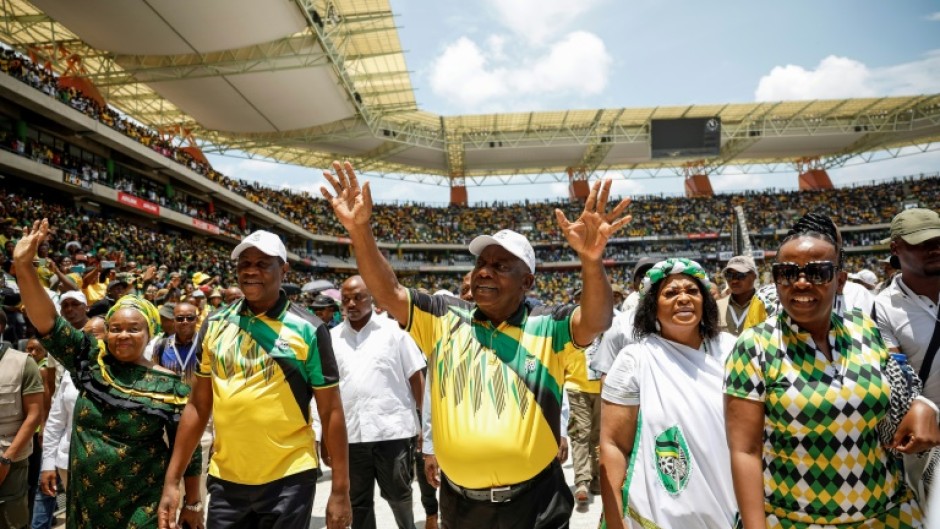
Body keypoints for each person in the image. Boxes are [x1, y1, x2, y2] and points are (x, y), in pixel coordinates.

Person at [322, 160, 632, 528]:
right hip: (462, 506)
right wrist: (360, 231)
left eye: (501, 266)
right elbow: (389, 293)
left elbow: (596, 320)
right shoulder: (443, 317)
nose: (484, 270)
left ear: (528, 282)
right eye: (482, 262)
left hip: (536, 503)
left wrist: (591, 259)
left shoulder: (549, 325)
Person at [724, 213, 940, 529]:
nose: (801, 281)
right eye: (787, 273)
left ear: (840, 280)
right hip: (797, 520)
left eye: (818, 272)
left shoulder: (864, 329)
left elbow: (900, 388)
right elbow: (745, 451)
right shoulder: (754, 346)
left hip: (888, 514)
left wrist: (924, 405)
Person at [12, 219, 202, 529]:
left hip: (143, 508)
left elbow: (189, 452)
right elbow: (48, 321)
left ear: (149, 332)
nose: (122, 335)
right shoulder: (89, 358)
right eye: (115, 328)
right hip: (86, 504)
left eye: (133, 329)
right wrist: (24, 267)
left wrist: (192, 503)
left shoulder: (171, 385)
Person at [158, 229, 352, 529]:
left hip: (289, 478)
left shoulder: (309, 329)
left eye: (263, 263)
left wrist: (340, 490)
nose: (250, 270)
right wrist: (172, 481)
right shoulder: (214, 324)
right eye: (244, 263)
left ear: (284, 269)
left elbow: (331, 410)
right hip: (226, 480)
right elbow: (197, 406)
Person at [599, 258, 737, 529]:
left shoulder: (733, 350)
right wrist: (616, 520)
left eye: (692, 291)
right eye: (671, 293)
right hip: (656, 514)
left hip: (731, 505)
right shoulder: (634, 360)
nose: (683, 298)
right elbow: (614, 445)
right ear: (652, 307)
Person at [332, 275, 425, 529]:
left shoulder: (395, 332)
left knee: (399, 494)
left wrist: (425, 427)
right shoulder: (332, 338)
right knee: (359, 501)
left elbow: (416, 378)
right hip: (352, 435)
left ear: (371, 297)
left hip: (392, 432)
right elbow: (328, 392)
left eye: (358, 297)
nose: (351, 304)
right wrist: (323, 436)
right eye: (346, 299)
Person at [875, 207, 940, 496]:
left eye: (938, 241)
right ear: (896, 248)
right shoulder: (884, 307)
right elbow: (899, 381)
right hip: (929, 441)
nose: (935, 249)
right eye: (923, 243)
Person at [0, 310, 43, 529]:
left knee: (11, 519)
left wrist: (6, 459)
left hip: (10, 460)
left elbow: (34, 414)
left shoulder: (23, 363)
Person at [717, 255, 768, 336]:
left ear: (754, 276)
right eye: (729, 275)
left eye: (740, 275)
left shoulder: (767, 306)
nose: (734, 281)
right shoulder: (717, 307)